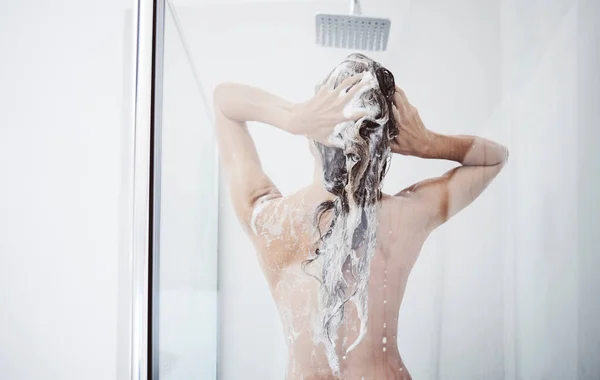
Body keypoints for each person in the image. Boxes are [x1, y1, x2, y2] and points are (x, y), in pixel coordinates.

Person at [213, 53, 508, 380]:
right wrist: (428, 143)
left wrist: (293, 116)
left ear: (314, 135)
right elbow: (493, 159)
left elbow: (224, 102)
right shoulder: (404, 218)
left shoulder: (271, 222)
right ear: (385, 146)